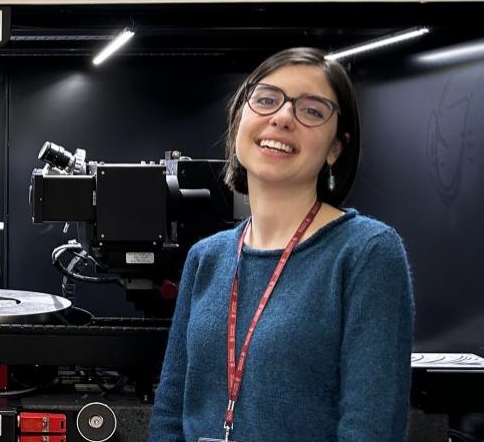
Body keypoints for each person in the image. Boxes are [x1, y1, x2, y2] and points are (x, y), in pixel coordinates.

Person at [147, 48, 413, 442]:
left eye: (311, 110)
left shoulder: (367, 252)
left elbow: (371, 429)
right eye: (267, 99)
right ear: (241, 118)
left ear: (336, 148)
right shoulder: (206, 257)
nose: (283, 117)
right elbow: (170, 412)